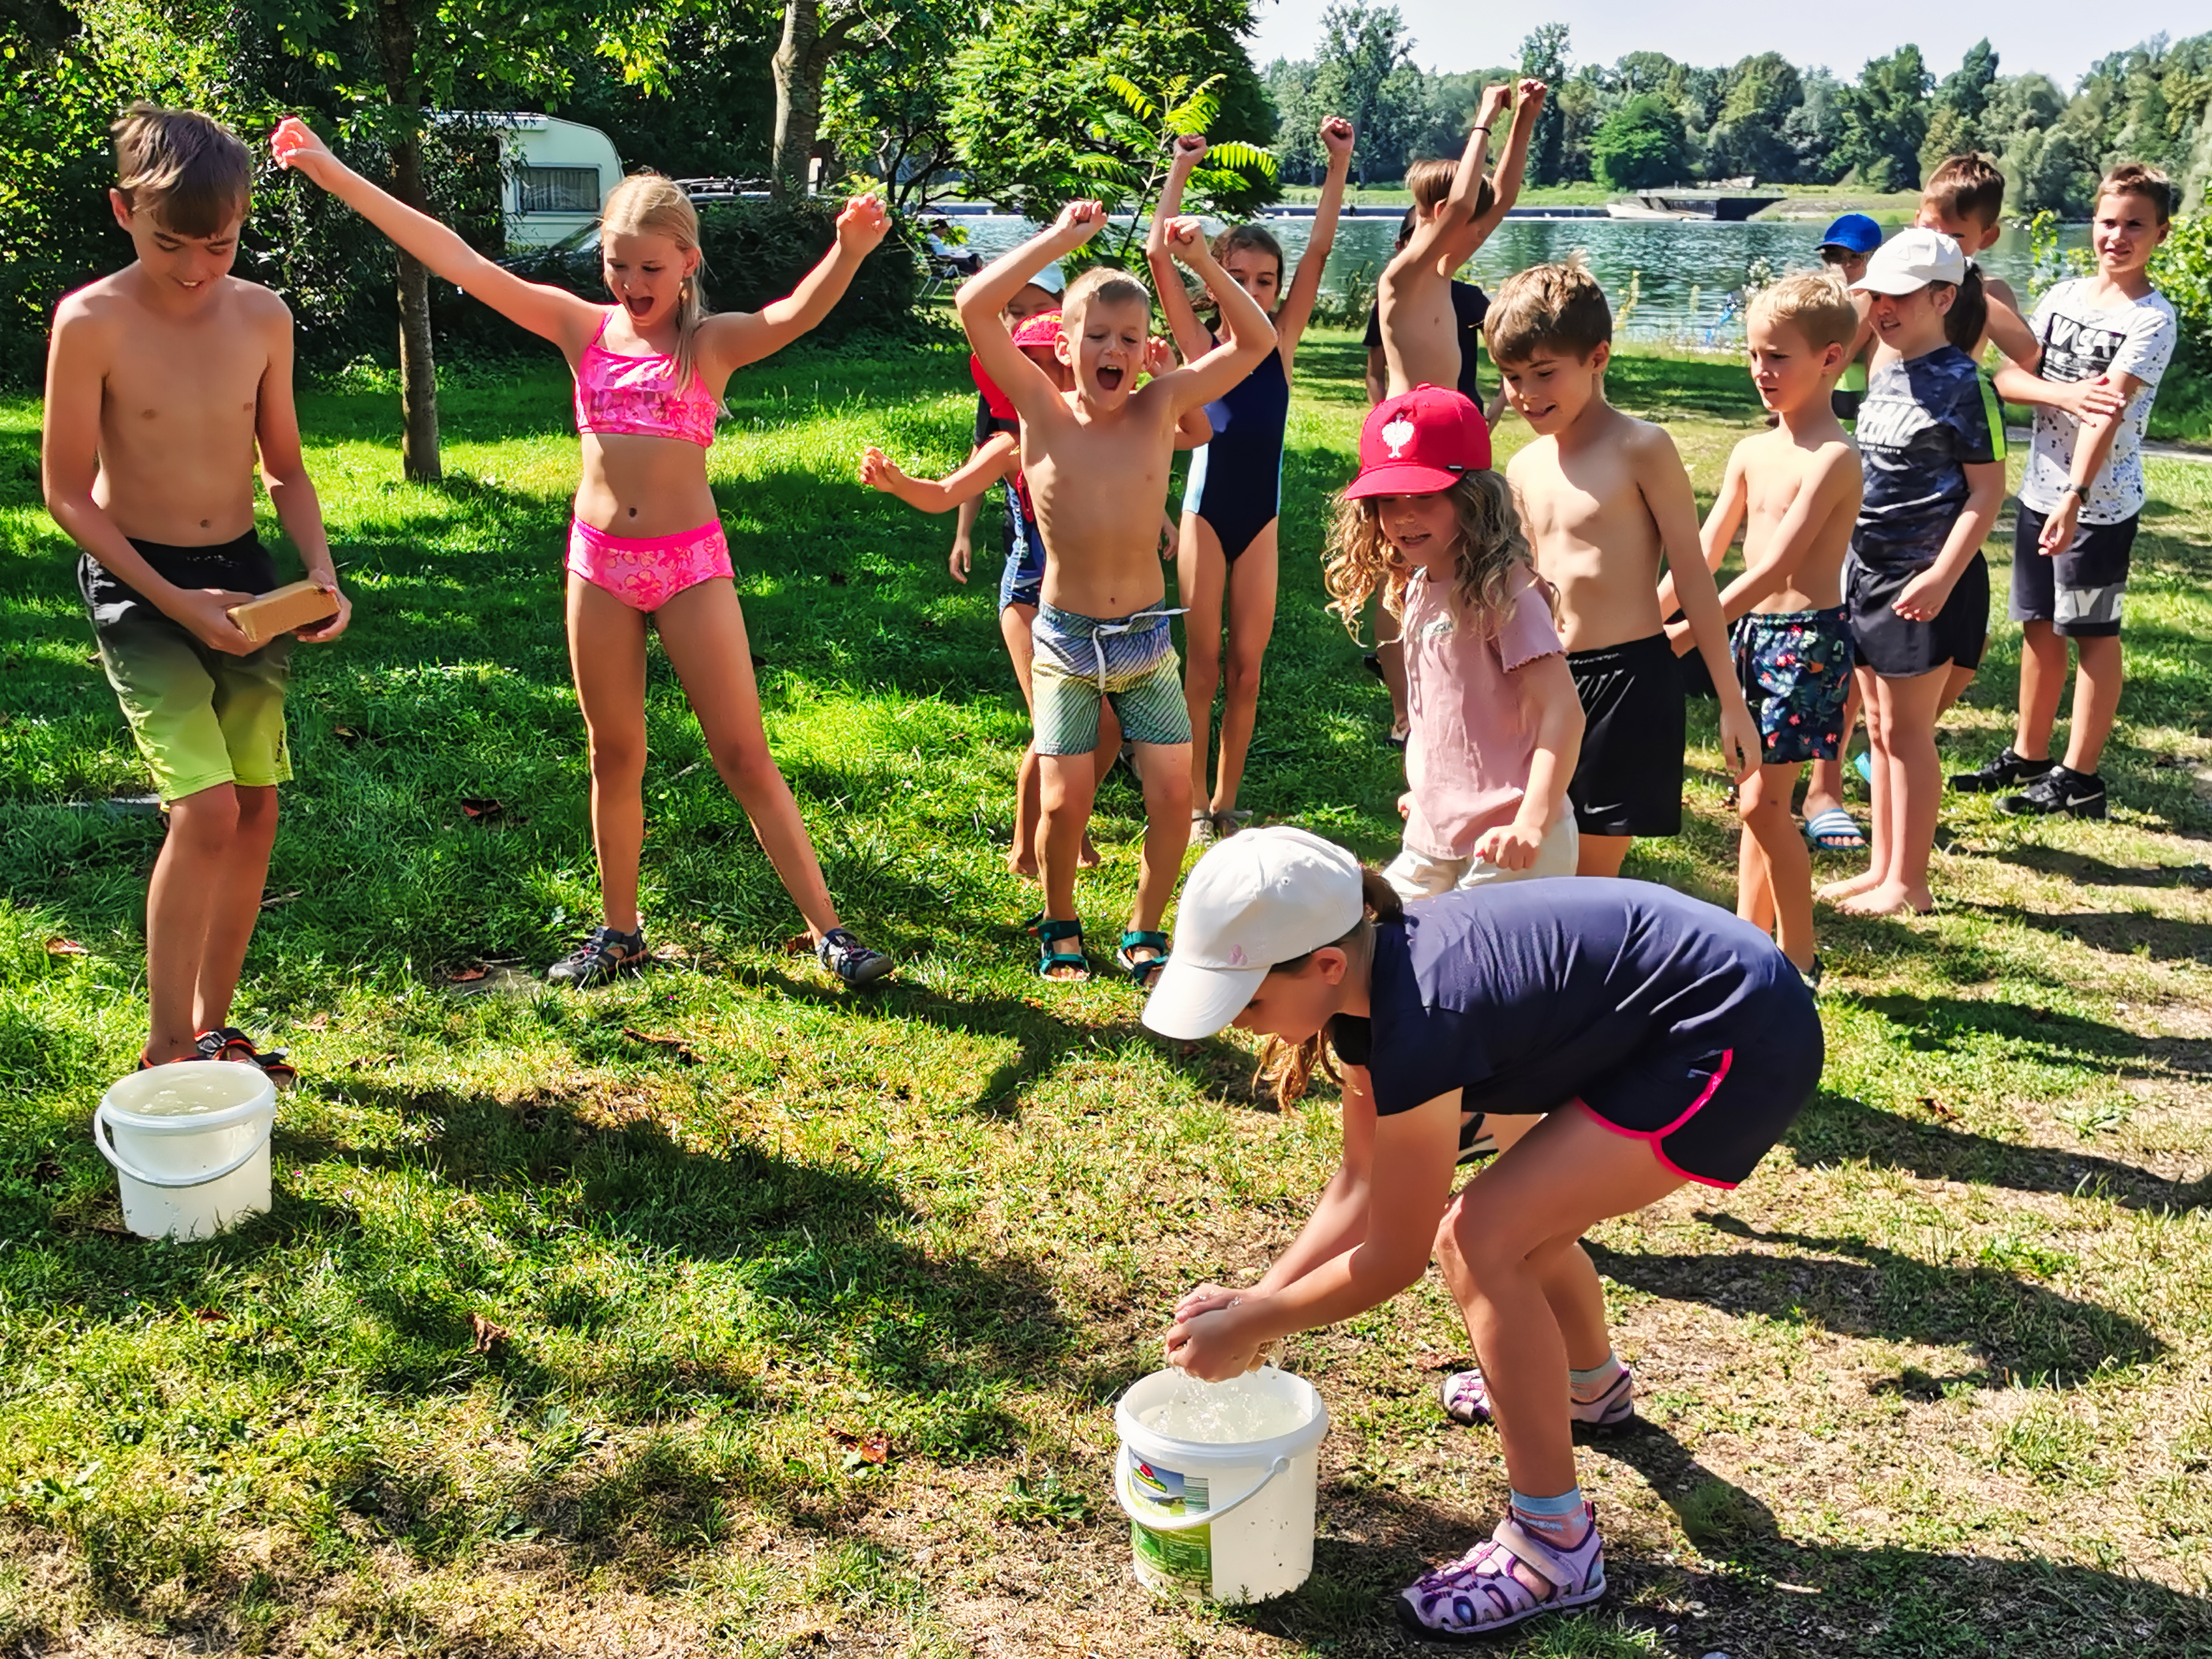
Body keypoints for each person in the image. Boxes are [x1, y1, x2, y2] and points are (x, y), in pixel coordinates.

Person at [1143, 826, 1822, 1640]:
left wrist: (1255, 1325)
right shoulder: (1371, 981)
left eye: (1250, 999)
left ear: (1324, 964)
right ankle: (1588, 1388)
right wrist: (1261, 1296)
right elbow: (1361, 1186)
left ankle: (1553, 1543)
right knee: (1520, 1225)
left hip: (1731, 1028)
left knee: (1479, 1237)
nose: (1242, 1023)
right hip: (1658, 1013)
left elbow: (1393, 1258)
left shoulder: (1422, 1013)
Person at [271, 117, 895, 988]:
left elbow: (795, 314)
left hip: (689, 567)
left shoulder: (706, 347)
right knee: (614, 753)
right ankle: (619, 932)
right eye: (616, 264)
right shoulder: (582, 329)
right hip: (597, 565)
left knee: (743, 753)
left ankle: (829, 930)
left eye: (649, 266)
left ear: (687, 261)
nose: (632, 282)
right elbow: (460, 260)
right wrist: (333, 173)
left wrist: (848, 251)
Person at [42, 103, 351, 1080]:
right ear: (122, 210)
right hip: (141, 587)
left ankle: (214, 1027)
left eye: (218, 246)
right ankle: (166, 1044)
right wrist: (177, 606)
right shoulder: (89, 321)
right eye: (171, 242)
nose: (193, 267)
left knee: (256, 806)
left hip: (246, 582)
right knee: (206, 809)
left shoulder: (262, 315)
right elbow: (64, 493)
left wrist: (319, 572)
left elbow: (286, 471)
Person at [956, 202, 1276, 983]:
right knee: (1066, 803)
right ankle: (1060, 919)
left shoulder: (1159, 406)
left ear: (1146, 352)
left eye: (1130, 340)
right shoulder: (1038, 408)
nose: (1114, 350)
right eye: (1095, 335)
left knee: (1173, 795)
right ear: (1063, 346)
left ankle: (1145, 924)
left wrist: (1202, 263)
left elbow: (1257, 341)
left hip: (1144, 641)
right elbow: (973, 308)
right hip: (1065, 640)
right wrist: (1063, 242)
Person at [862, 318, 1207, 876]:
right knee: (1054, 730)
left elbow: (1185, 435)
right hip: (1032, 593)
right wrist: (898, 483)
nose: (1042, 373)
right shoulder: (1013, 441)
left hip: (1103, 604)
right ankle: (1027, 848)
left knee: (1105, 725)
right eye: (1031, 362)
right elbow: (946, 491)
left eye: (1051, 361)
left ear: (1073, 362)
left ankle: (1069, 825)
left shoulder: (1111, 425)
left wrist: (1165, 376)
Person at [1489, 260, 1758, 878]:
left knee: (1588, 875)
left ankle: (1589, 972)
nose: (1527, 394)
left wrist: (1730, 700)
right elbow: (1518, 588)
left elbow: (1693, 576)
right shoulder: (1524, 465)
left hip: (1627, 683)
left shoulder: (1641, 447)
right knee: (1532, 859)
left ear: (1597, 358)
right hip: (1544, 679)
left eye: (1544, 374)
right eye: (1511, 377)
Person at [1149, 117, 1354, 844]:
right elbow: (1158, 255)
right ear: (1217, 284)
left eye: (1265, 281)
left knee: (1246, 668)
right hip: (1206, 514)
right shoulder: (1203, 347)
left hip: (1260, 520)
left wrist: (1339, 163)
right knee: (1199, 668)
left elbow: (1321, 248)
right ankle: (1195, 800)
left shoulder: (1280, 342)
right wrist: (1181, 167)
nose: (1256, 291)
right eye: (1239, 279)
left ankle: (1227, 800)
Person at [1955, 163, 2178, 819]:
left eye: (2136, 224)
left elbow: (2107, 412)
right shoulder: (2062, 297)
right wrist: (2062, 390)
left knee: (2092, 632)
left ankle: (2079, 777)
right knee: (2039, 627)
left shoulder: (2152, 320)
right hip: (2039, 491)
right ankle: (2028, 753)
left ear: (2161, 233)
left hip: (2096, 505)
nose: (2118, 236)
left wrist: (2077, 497)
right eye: (2109, 222)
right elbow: (2009, 378)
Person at [1666, 274, 1863, 979]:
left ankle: (1799, 960)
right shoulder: (1753, 451)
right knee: (1757, 797)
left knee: (1760, 805)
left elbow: (1778, 567)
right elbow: (1704, 554)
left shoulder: (1835, 457)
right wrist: (1644, 618)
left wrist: (1685, 636)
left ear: (1831, 358)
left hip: (1806, 643)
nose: (1761, 371)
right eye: (1754, 354)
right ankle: (1753, 944)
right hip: (1751, 640)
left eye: (1778, 357)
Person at [1323, 385, 1582, 896]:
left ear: (1474, 497)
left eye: (1423, 497)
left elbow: (1563, 714)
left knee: (1489, 975)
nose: (1402, 517)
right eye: (1386, 501)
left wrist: (1531, 822)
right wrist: (1428, 792)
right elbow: (1439, 712)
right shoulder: (1416, 585)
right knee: (1382, 942)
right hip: (1433, 834)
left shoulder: (1506, 591)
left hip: (1509, 840)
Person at [1818, 230, 2006, 918]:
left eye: (1899, 296)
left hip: (1925, 581)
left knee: (1907, 732)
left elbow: (1987, 493)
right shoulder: (1882, 365)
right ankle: (1881, 868)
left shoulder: (1967, 383)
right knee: (1875, 726)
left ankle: (1911, 882)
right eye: (1876, 295)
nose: (1883, 307)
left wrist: (1940, 576)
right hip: (1866, 570)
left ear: (1943, 297)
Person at [1377, 79, 1544, 397]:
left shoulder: (1442, 269)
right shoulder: (1402, 274)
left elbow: (1503, 197)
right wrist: (1484, 120)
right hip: (1407, 423)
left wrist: (1525, 116)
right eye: (1472, 222)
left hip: (1446, 416)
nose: (1479, 231)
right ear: (1443, 212)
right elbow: (1462, 206)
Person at [948, 262, 1063, 595]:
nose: (1029, 318)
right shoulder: (999, 384)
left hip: (1087, 529)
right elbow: (979, 455)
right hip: (1025, 529)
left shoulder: (1088, 377)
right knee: (1023, 604)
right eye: (1016, 311)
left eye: (1042, 308)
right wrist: (963, 533)